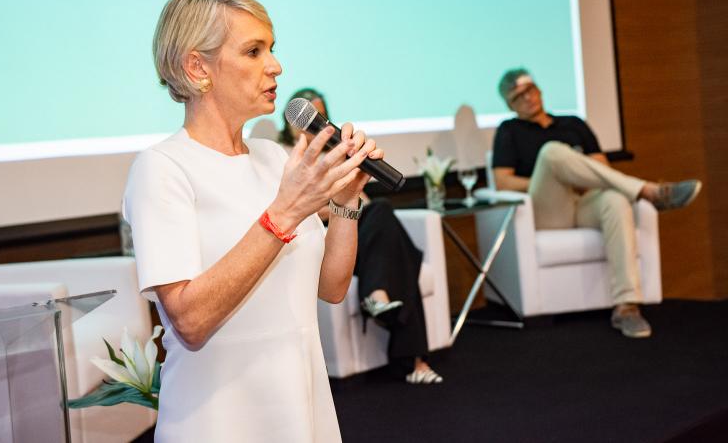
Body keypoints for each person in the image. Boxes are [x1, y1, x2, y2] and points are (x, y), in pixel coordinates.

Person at [123, 0, 384, 442]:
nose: (276, 65)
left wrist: (345, 201)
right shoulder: (162, 168)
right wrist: (283, 214)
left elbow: (331, 287)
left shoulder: (274, 157)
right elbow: (190, 322)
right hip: (218, 420)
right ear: (197, 67)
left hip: (302, 409)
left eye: (272, 48)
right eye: (253, 51)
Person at [492, 68, 702, 339]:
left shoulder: (573, 123)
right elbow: (502, 182)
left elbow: (603, 168)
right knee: (552, 153)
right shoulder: (509, 131)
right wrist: (556, 175)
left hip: (585, 201)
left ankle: (627, 306)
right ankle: (648, 191)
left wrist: (577, 173)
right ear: (510, 105)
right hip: (550, 209)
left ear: (539, 90)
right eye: (518, 97)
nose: (527, 98)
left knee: (616, 199)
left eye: (530, 90)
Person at [279, 88, 443, 384]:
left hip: (354, 230)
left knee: (382, 217)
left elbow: (360, 199)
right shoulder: (282, 156)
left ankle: (378, 296)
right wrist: (334, 204)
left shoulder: (335, 153)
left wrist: (342, 199)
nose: (313, 124)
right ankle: (415, 359)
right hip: (320, 239)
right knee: (401, 249)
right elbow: (294, 209)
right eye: (308, 118)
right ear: (290, 122)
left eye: (320, 116)